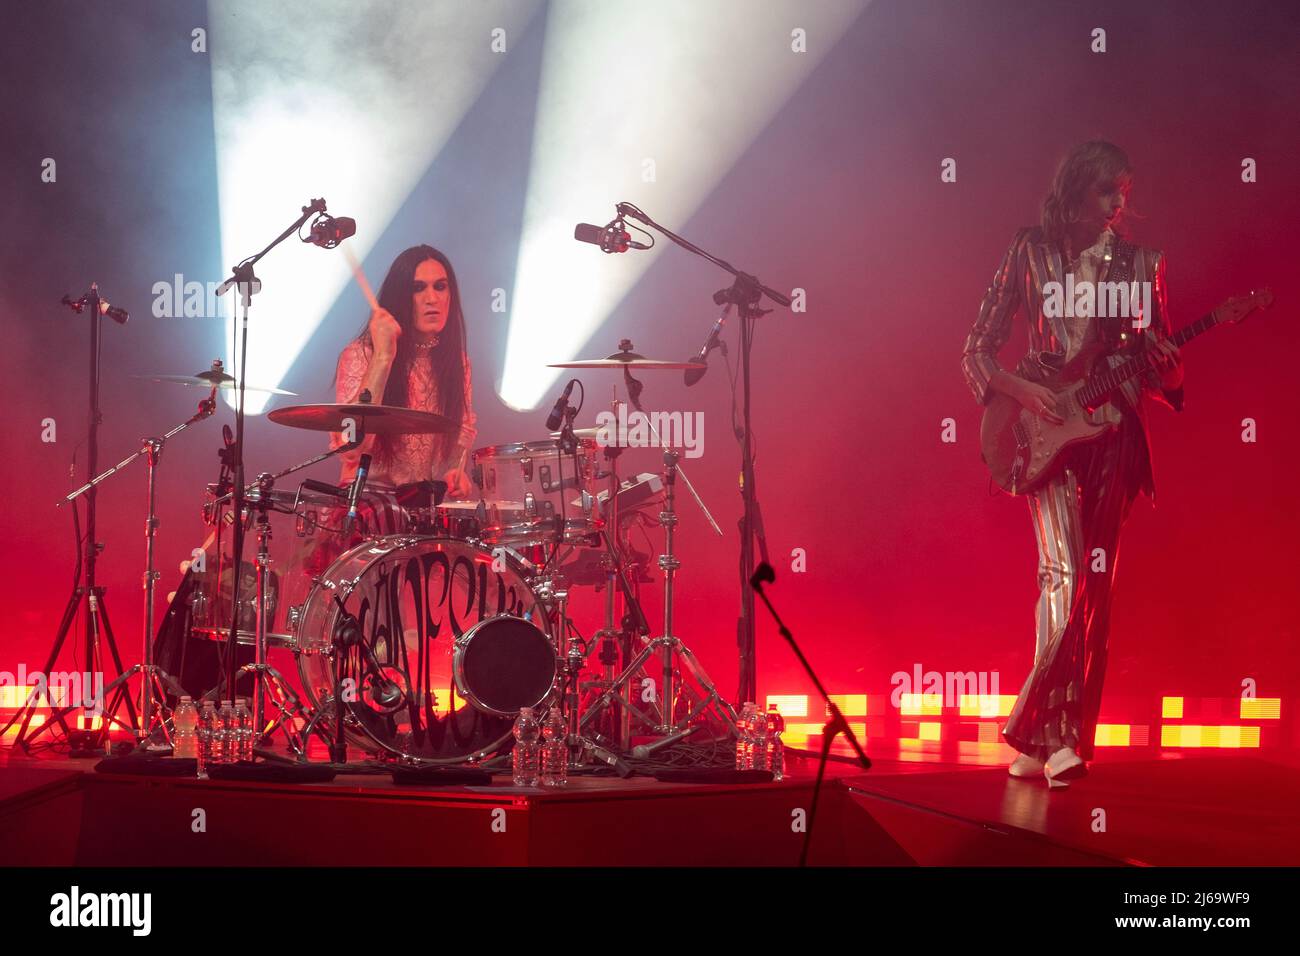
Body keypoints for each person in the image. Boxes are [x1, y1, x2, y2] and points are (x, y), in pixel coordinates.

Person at [961, 141, 1184, 788]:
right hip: (1045, 430)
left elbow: (1159, 362)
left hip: (1114, 433)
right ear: (1075, 190)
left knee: (1094, 591)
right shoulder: (1028, 251)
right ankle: (1049, 736)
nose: (1118, 205)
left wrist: (1171, 372)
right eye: (1106, 191)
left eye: (1126, 193)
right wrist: (1017, 389)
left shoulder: (1143, 265)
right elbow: (976, 348)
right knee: (1062, 572)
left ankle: (1056, 739)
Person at [331, 244, 477, 496]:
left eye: (440, 286)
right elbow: (349, 446)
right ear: (400, 296)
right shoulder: (361, 355)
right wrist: (383, 358)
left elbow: (461, 433)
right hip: (366, 504)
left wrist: (456, 470)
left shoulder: (458, 363)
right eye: (418, 288)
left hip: (420, 507)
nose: (432, 298)